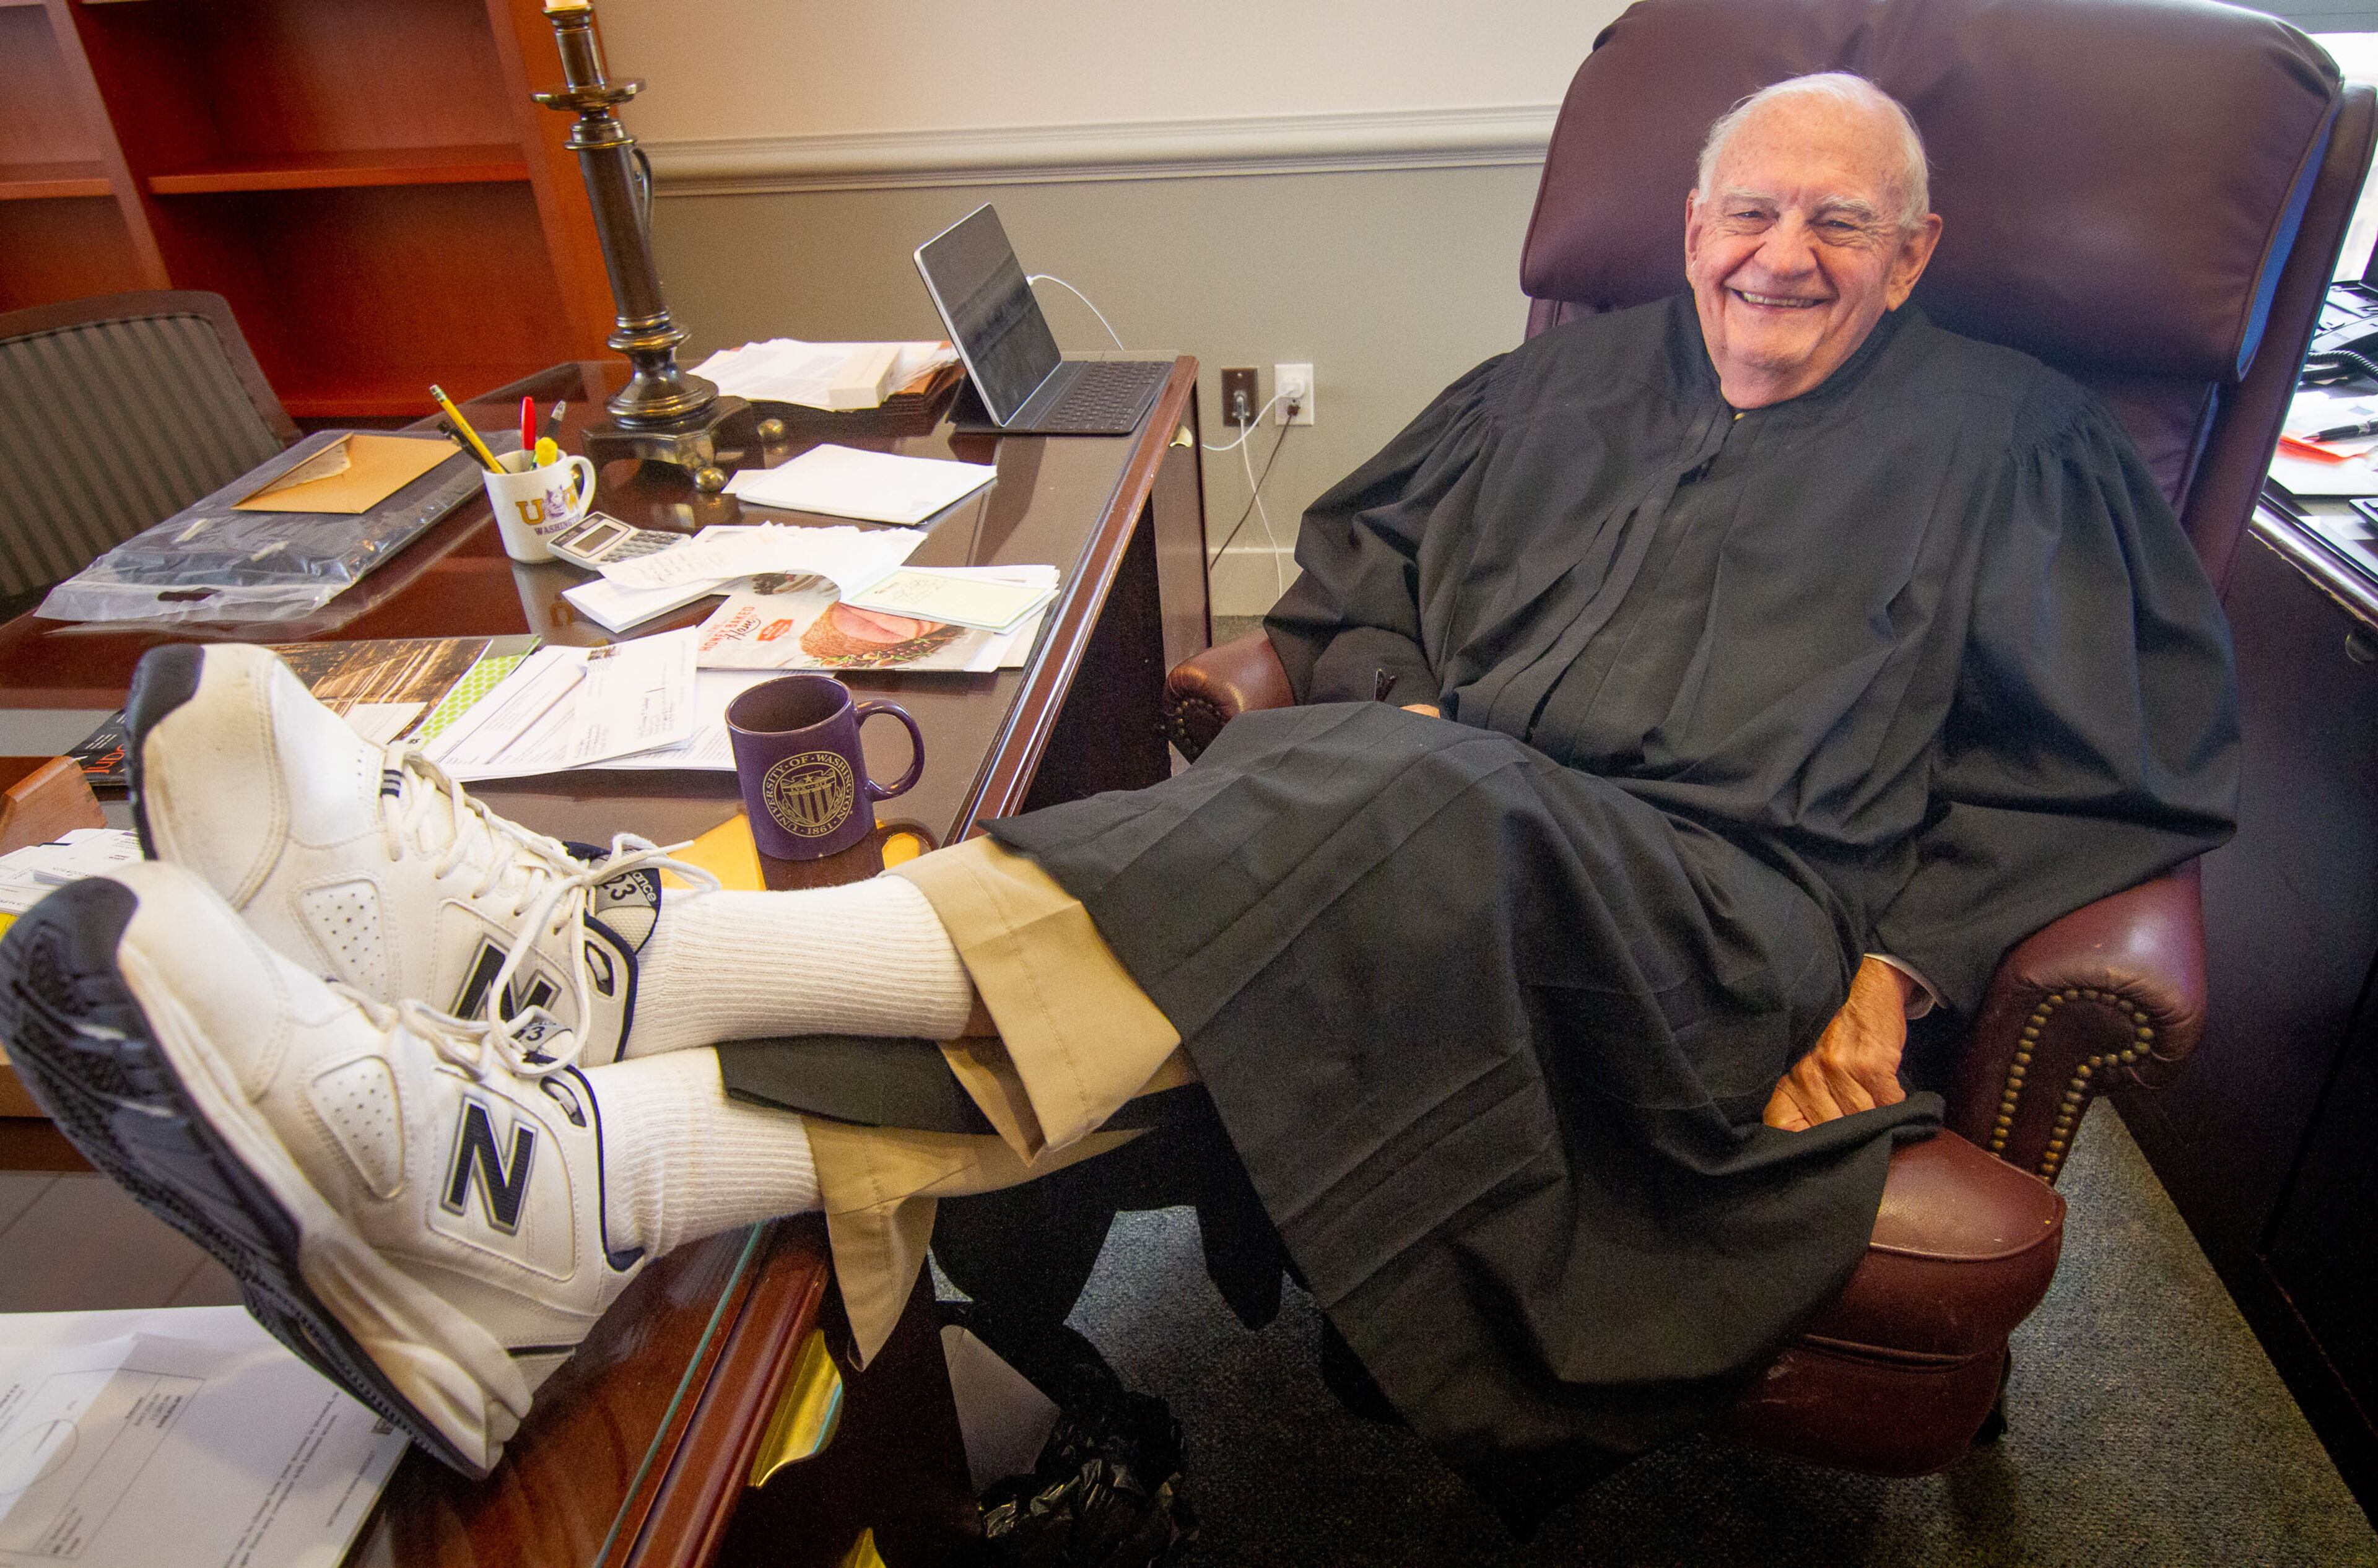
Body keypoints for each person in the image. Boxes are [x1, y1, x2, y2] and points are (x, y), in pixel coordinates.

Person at [0, 72, 2236, 1507]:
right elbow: (1356, 589)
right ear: (1685, 226)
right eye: (1754, 209)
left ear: (1917, 255)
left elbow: (2105, 768)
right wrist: (1385, 710)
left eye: (1847, 227)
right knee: (1331, 840)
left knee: (1376, 809)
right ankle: (572, 1173)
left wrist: (1896, 950)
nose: (1786, 254)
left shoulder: (2014, 446)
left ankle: (594, 961)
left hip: (1715, 943)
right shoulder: (1548, 390)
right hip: (1433, 861)